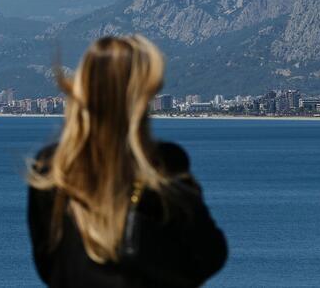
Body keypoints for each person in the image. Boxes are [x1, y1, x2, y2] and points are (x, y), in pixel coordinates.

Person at [27, 35, 228, 287]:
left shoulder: (52, 170)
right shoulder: (164, 166)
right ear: (140, 99)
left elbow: (48, 264)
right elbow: (209, 255)